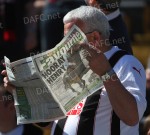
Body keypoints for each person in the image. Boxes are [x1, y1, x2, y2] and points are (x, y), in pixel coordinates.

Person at [2, 6, 146, 135]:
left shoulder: (125, 63)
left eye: (72, 38)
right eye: (65, 39)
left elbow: (132, 117)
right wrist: (22, 94)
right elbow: (51, 123)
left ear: (95, 38)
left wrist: (106, 73)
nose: (66, 47)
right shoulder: (71, 66)